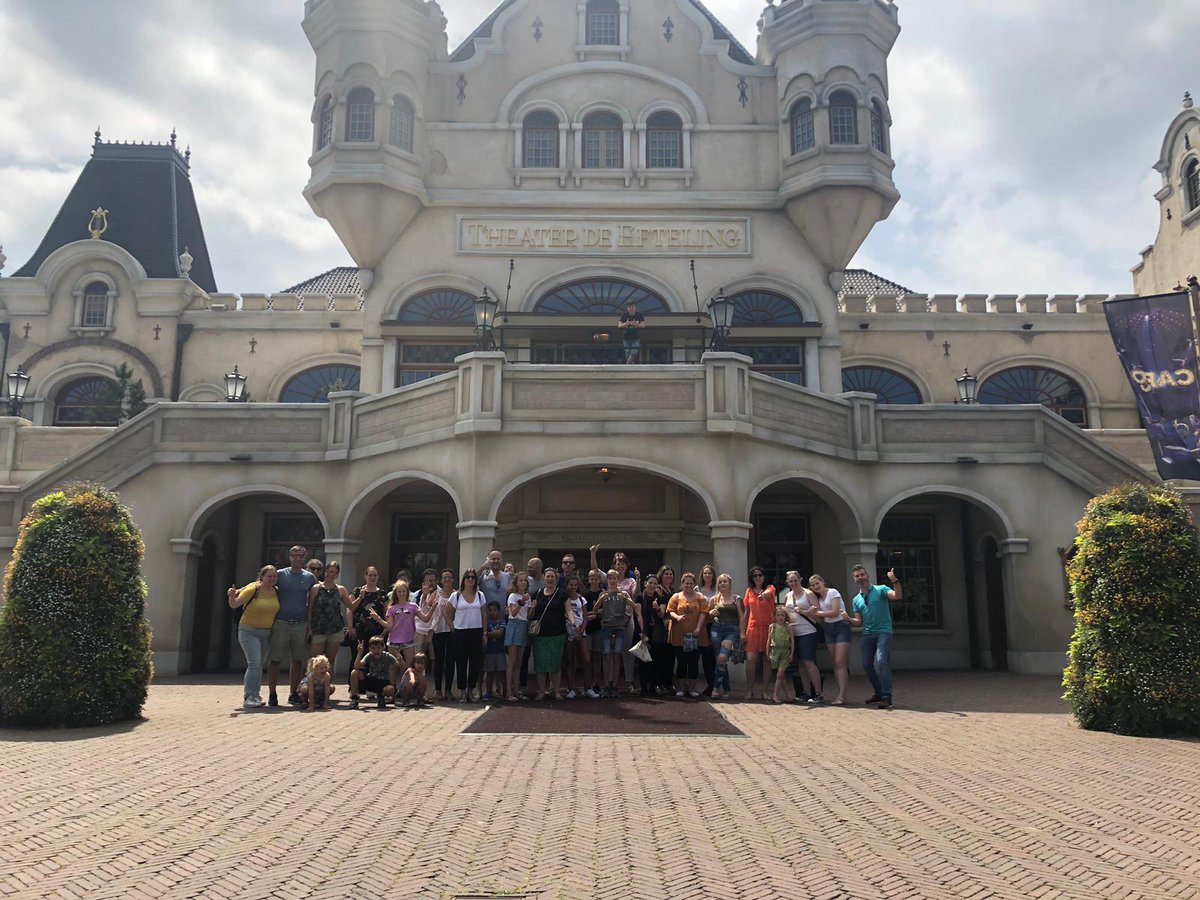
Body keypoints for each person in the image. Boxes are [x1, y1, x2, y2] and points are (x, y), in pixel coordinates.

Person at [267, 546, 318, 706]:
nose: (297, 559)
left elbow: (314, 601)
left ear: (304, 558)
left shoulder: (309, 577)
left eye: (301, 556)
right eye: (294, 556)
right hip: (281, 622)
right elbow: (263, 585)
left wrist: (310, 626)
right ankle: (272, 693)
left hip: (301, 624)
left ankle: (293, 692)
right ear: (290, 557)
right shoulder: (281, 574)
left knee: (297, 660)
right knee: (275, 659)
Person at [227, 564, 280, 708]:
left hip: (266, 632)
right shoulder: (253, 589)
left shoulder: (276, 591)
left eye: (274, 576)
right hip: (248, 631)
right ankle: (249, 696)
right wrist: (232, 596)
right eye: (269, 576)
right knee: (254, 663)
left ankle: (255, 695)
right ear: (262, 577)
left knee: (258, 665)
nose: (272, 578)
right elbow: (234, 604)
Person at [850, 565, 901, 709]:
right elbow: (858, 621)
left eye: (862, 575)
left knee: (882, 661)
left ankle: (887, 697)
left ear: (868, 575)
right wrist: (846, 618)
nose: (860, 578)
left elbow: (897, 596)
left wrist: (894, 580)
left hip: (883, 632)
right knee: (866, 665)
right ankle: (878, 693)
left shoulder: (881, 589)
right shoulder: (856, 599)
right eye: (857, 576)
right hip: (867, 634)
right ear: (854, 579)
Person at [595, 569, 644, 698]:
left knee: (617, 656)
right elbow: (595, 610)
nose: (612, 581)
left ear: (618, 580)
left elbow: (634, 606)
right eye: (609, 579)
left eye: (614, 578)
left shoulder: (623, 594)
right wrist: (601, 600)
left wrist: (625, 599)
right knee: (606, 656)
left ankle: (615, 685)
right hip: (606, 628)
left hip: (619, 628)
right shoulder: (603, 593)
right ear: (607, 580)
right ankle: (606, 685)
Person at [808, 574, 851, 705]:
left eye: (817, 583)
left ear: (822, 581)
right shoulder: (819, 599)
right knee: (835, 662)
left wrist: (818, 613)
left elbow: (835, 611)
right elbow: (820, 618)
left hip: (841, 626)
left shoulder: (833, 592)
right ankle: (840, 694)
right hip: (829, 628)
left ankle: (842, 696)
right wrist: (810, 612)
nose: (816, 586)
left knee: (840, 661)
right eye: (813, 585)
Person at [446, 568, 486, 703]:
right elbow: (446, 613)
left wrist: (485, 633)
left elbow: (484, 615)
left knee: (475, 663)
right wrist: (452, 627)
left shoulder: (480, 595)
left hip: (476, 631)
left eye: (473, 577)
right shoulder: (456, 596)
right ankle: (462, 692)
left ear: (476, 580)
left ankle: (471, 691)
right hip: (460, 632)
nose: (470, 579)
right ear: (463, 579)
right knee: (461, 663)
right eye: (467, 577)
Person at [783, 571, 823, 704]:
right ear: (788, 582)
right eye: (791, 581)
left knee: (808, 661)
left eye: (796, 580)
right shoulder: (787, 595)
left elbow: (818, 617)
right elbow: (785, 614)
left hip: (808, 632)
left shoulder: (808, 594)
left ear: (800, 579)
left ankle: (818, 693)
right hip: (794, 633)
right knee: (800, 663)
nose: (793, 583)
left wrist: (804, 611)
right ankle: (806, 693)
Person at [307, 560, 354, 672]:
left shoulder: (340, 589)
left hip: (335, 629)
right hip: (318, 628)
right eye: (329, 571)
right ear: (325, 571)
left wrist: (361, 597)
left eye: (334, 572)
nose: (331, 574)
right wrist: (309, 628)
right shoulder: (316, 588)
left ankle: (327, 686)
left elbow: (351, 606)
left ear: (337, 574)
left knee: (330, 660)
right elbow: (310, 609)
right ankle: (312, 685)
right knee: (315, 660)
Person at [667, 572, 708, 698]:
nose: (688, 585)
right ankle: (681, 688)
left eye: (691, 583)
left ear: (694, 584)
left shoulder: (700, 597)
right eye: (686, 583)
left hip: (695, 635)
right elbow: (670, 611)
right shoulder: (676, 596)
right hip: (679, 635)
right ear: (682, 584)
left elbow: (704, 613)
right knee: (681, 662)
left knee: (693, 662)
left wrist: (698, 628)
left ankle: (692, 688)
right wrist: (678, 617)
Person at [530, 567, 567, 700]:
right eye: (548, 577)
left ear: (556, 579)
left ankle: (556, 691)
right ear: (544, 578)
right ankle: (541, 691)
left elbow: (568, 610)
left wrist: (574, 622)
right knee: (541, 664)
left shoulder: (562, 593)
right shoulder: (537, 593)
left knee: (555, 664)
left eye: (552, 577)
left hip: (558, 633)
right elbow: (530, 615)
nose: (550, 579)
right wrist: (532, 608)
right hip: (540, 634)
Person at [345, 566, 387, 682]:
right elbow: (350, 609)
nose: (372, 578)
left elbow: (386, 613)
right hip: (359, 630)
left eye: (375, 575)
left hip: (376, 632)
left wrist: (385, 630)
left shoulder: (382, 594)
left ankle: (371, 686)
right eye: (370, 575)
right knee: (356, 656)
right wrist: (350, 626)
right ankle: (354, 685)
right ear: (365, 577)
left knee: (374, 658)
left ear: (378, 577)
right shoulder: (357, 591)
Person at [741, 566, 777, 701]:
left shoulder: (771, 588)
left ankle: (765, 691)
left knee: (767, 660)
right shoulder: (749, 591)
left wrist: (763, 594)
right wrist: (742, 632)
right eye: (755, 575)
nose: (757, 577)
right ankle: (750, 690)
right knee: (750, 660)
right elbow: (746, 613)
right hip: (753, 628)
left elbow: (768, 593)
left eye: (760, 575)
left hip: (769, 628)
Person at [707, 573, 742, 700]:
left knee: (722, 657)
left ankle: (715, 689)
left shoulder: (737, 598)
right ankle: (727, 689)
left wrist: (742, 633)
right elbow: (707, 616)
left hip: (731, 630)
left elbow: (742, 617)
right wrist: (711, 613)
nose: (723, 584)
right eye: (720, 582)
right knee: (720, 661)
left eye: (725, 581)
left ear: (730, 583)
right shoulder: (714, 599)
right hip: (717, 629)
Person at [639, 573, 670, 696]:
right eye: (650, 583)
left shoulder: (660, 598)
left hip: (656, 633)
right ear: (645, 584)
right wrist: (642, 632)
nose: (652, 585)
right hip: (643, 631)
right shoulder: (640, 597)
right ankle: (643, 688)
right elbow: (638, 614)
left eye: (654, 583)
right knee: (642, 661)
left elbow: (662, 615)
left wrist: (657, 608)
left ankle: (653, 686)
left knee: (655, 661)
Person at [377, 580, 419, 668]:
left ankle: (407, 682)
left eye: (403, 591)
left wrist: (432, 608)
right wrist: (378, 619)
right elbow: (389, 626)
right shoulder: (391, 608)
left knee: (410, 667)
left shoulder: (413, 606)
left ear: (407, 592)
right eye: (399, 591)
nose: (401, 593)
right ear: (395, 593)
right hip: (393, 641)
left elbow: (425, 618)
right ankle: (393, 682)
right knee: (393, 667)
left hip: (408, 640)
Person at [505, 572, 533, 702]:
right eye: (521, 580)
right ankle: (509, 692)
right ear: (516, 583)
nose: (523, 582)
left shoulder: (527, 597)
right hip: (514, 625)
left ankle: (516, 691)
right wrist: (522, 602)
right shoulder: (513, 596)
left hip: (523, 625)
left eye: (525, 580)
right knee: (512, 661)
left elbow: (527, 615)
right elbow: (513, 612)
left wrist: (532, 607)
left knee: (519, 662)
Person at [561, 575, 590, 699]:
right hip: (568, 633)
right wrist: (571, 632)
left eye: (575, 585)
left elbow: (585, 617)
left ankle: (587, 688)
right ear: (567, 586)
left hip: (581, 633)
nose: (573, 587)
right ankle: (571, 689)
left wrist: (581, 631)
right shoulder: (564, 599)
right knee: (570, 660)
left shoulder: (582, 599)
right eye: (571, 584)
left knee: (586, 660)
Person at [350, 636, 398, 710]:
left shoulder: (388, 656)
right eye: (373, 648)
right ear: (369, 649)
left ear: (383, 647)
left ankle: (381, 697)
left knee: (390, 689)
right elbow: (356, 667)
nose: (376, 650)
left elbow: (399, 666)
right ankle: (354, 699)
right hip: (372, 680)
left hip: (384, 682)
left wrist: (400, 661)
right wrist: (359, 653)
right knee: (354, 673)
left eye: (378, 648)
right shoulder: (369, 655)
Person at [430, 569, 456, 701]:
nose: (447, 580)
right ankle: (437, 689)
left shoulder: (457, 594)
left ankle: (449, 690)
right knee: (439, 660)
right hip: (438, 630)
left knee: (450, 660)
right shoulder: (436, 594)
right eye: (444, 577)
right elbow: (428, 606)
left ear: (453, 580)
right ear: (441, 580)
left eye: (449, 577)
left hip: (452, 630)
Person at [768, 607, 795, 703]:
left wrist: (791, 653)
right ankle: (789, 694)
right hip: (775, 652)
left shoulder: (788, 627)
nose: (780, 617)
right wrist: (768, 652)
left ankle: (775, 695)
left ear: (785, 616)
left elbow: (792, 641)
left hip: (785, 652)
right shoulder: (772, 626)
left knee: (780, 674)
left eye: (782, 615)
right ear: (775, 616)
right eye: (778, 615)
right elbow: (769, 640)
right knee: (781, 675)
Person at [484, 601, 507, 701]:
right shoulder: (486, 623)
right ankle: (488, 691)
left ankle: (505, 691)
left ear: (499, 611)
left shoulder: (502, 622)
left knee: (501, 672)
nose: (492, 612)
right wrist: (491, 634)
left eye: (494, 610)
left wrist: (488, 634)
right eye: (490, 610)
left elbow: (499, 634)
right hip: (489, 652)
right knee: (489, 673)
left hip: (500, 651)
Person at [618, 298, 644, 364]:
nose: (631, 308)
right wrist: (626, 324)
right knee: (627, 352)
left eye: (633, 306)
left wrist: (637, 324)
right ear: (627, 308)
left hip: (636, 337)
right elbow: (619, 325)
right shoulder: (624, 315)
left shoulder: (639, 315)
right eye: (630, 307)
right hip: (626, 337)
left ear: (635, 307)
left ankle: (629, 364)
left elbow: (643, 325)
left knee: (634, 351)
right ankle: (630, 365)